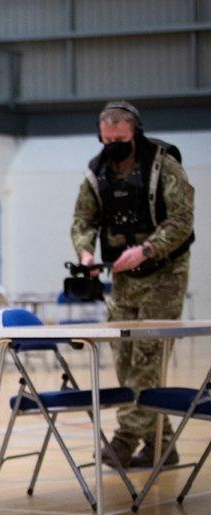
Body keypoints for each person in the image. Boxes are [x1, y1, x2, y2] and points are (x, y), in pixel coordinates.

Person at [71, 100, 194, 469]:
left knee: (148, 358)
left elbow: (182, 220)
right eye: (106, 139)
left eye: (120, 139)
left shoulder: (164, 166)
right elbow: (83, 220)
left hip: (164, 274)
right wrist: (86, 255)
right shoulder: (96, 173)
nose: (112, 146)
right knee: (125, 360)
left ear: (135, 133)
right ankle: (163, 444)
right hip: (122, 276)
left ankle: (124, 439)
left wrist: (147, 249)